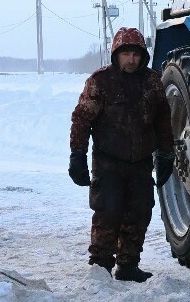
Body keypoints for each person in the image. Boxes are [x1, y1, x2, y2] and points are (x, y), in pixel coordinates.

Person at [68, 27, 174, 282]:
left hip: (141, 162)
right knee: (108, 212)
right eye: (125, 53)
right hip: (108, 161)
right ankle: (100, 266)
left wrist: (166, 155)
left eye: (135, 54)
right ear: (116, 54)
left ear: (143, 56)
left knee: (139, 213)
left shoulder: (152, 83)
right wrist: (77, 155)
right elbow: (82, 119)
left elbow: (163, 122)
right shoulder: (100, 81)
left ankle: (128, 265)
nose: (131, 59)